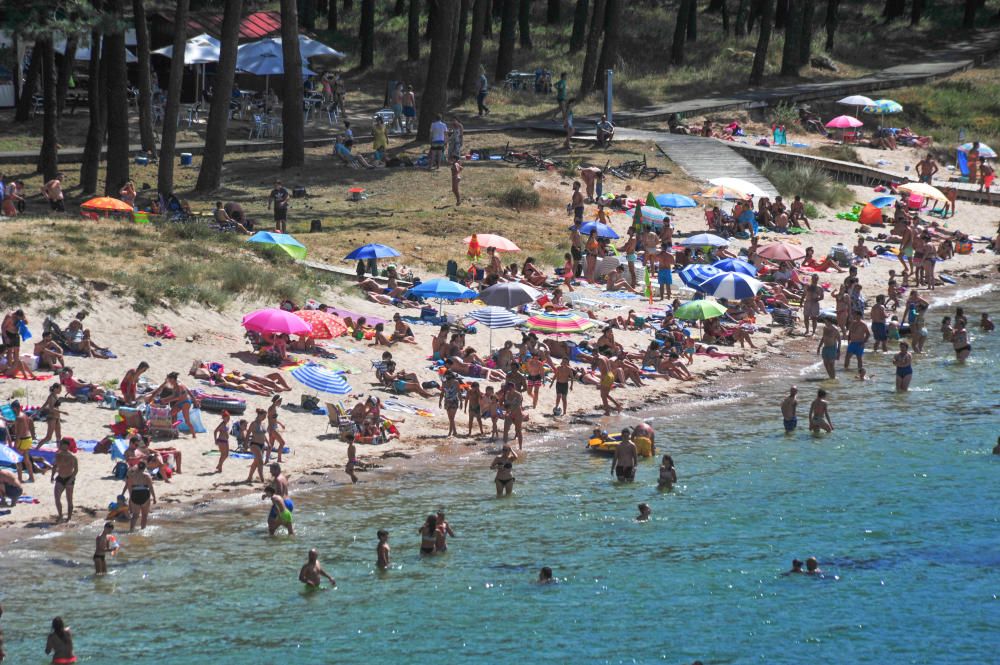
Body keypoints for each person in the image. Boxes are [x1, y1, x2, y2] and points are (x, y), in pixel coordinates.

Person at [51, 438, 78, 522]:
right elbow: (55, 466)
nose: (63, 448)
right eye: (62, 446)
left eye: (64, 446)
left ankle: (69, 517)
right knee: (57, 498)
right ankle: (60, 515)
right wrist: (52, 476)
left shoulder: (72, 457)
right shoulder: (57, 455)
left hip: (69, 478)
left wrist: (71, 479)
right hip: (60, 478)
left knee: (69, 499)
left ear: (67, 447)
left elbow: (76, 470)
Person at [125, 461, 156, 531]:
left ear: (138, 466)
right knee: (144, 515)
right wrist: (154, 497)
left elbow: (129, 487)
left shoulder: (131, 475)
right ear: (145, 467)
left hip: (135, 493)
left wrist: (131, 497)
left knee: (135, 515)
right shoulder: (147, 475)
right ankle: (143, 530)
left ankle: (131, 530)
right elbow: (151, 487)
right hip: (144, 493)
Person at [12, 401, 36, 482]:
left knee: (18, 460)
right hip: (28, 438)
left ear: (15, 408)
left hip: (22, 439)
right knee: (26, 460)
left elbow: (19, 432)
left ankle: (20, 479)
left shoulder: (18, 417)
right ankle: (32, 478)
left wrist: (16, 443)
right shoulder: (24, 415)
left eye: (13, 409)